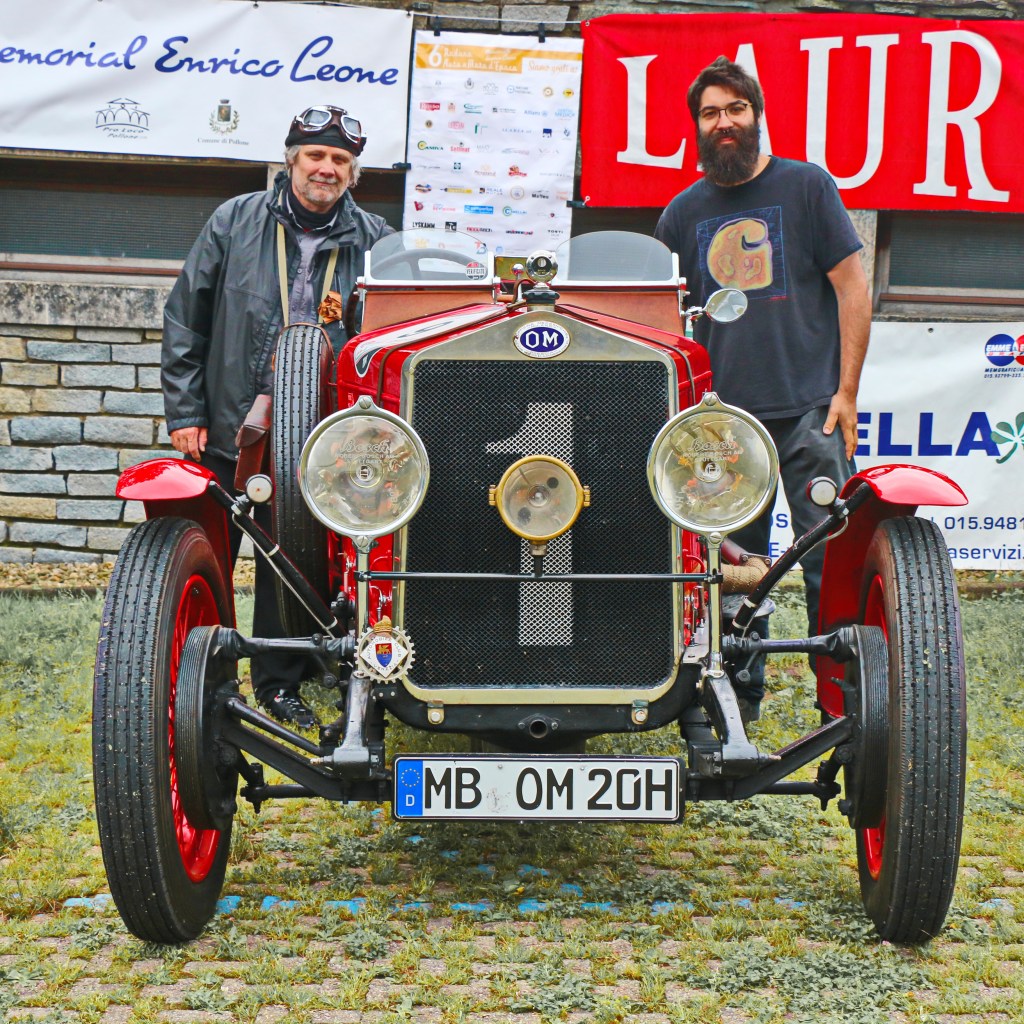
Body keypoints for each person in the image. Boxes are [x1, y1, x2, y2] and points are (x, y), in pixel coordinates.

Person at [655, 57, 871, 723]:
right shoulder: (680, 214)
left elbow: (853, 288)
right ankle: (732, 711)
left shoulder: (807, 187)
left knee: (831, 562)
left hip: (811, 413)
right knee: (726, 572)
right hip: (718, 428)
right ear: (697, 126)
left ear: (756, 115)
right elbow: (662, 323)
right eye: (710, 113)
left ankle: (844, 705)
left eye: (735, 109)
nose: (724, 122)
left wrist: (846, 393)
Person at [162, 105, 393, 728]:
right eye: (315, 156)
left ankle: (278, 682)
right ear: (291, 161)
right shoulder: (234, 221)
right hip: (230, 422)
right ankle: (200, 677)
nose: (326, 169)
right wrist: (186, 411)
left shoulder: (375, 239)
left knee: (290, 563)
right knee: (209, 554)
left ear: (353, 173)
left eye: (340, 160)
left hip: (318, 431)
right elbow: (186, 318)